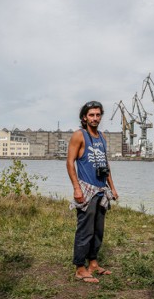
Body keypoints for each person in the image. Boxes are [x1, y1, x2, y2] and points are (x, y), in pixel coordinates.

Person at [66, 101, 119, 283]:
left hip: (101, 190)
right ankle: (80, 268)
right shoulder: (79, 136)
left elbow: (106, 165)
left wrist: (112, 187)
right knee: (85, 230)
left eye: (98, 115)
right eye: (91, 115)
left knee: (98, 230)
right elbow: (70, 162)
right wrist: (76, 188)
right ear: (84, 117)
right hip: (86, 189)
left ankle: (93, 263)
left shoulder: (102, 137)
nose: (95, 118)